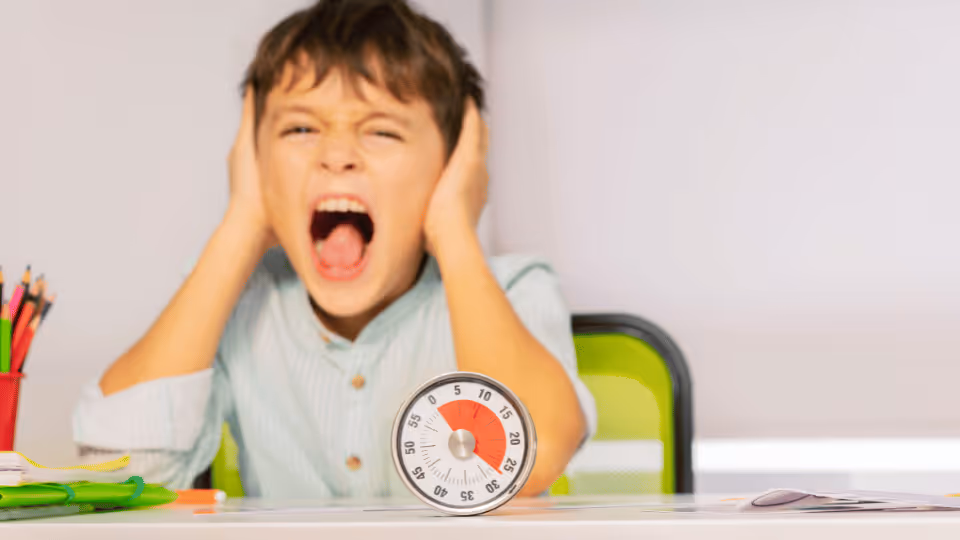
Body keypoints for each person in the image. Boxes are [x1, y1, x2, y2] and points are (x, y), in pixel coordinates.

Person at [73, 0, 596, 498]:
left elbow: (529, 458)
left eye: (382, 132)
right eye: (300, 128)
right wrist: (244, 221)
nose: (337, 156)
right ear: (253, 160)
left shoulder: (515, 289)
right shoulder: (239, 297)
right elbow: (116, 477)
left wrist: (456, 230)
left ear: (453, 166)